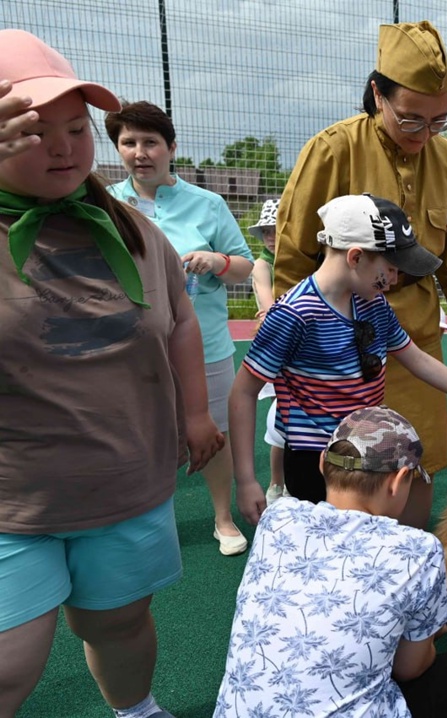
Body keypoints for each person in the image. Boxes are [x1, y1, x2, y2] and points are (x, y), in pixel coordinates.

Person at [0, 30, 223, 718]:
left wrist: (194, 414)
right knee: (10, 662)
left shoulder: (128, 227)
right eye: (36, 131)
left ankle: (136, 710)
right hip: (14, 503)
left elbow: (182, 316)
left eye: (76, 128)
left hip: (124, 482)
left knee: (120, 625)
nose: (65, 147)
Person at [273, 21, 447, 529]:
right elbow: (292, 258)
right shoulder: (332, 150)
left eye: (439, 120)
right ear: (377, 94)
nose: (426, 135)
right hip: (337, 360)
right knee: (344, 489)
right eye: (411, 120)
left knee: (411, 481)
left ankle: (406, 592)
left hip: (414, 348)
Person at [230, 195, 447, 522]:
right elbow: (244, 391)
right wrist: (246, 479)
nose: (394, 280)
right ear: (355, 257)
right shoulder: (294, 314)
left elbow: (417, 359)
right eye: (391, 269)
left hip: (368, 453)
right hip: (316, 463)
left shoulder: (373, 304)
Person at [215, 406, 447, 718]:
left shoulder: (277, 517)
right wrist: (429, 635)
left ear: (323, 464)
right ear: (399, 481)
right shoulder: (419, 550)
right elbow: (409, 668)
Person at [104, 101, 255, 556]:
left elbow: (245, 265)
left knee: (213, 430)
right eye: (128, 143)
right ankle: (152, 520)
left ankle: (224, 519)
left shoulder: (207, 204)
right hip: (133, 348)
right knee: (143, 436)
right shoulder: (105, 203)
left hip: (206, 345)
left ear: (171, 148)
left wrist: (217, 262)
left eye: (150, 142)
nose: (139, 152)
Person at [247, 198, 287, 505]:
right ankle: (276, 483)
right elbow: (268, 301)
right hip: (276, 350)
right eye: (267, 231)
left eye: (278, 229)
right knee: (280, 423)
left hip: (301, 348)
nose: (272, 236)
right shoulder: (262, 264)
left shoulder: (300, 261)